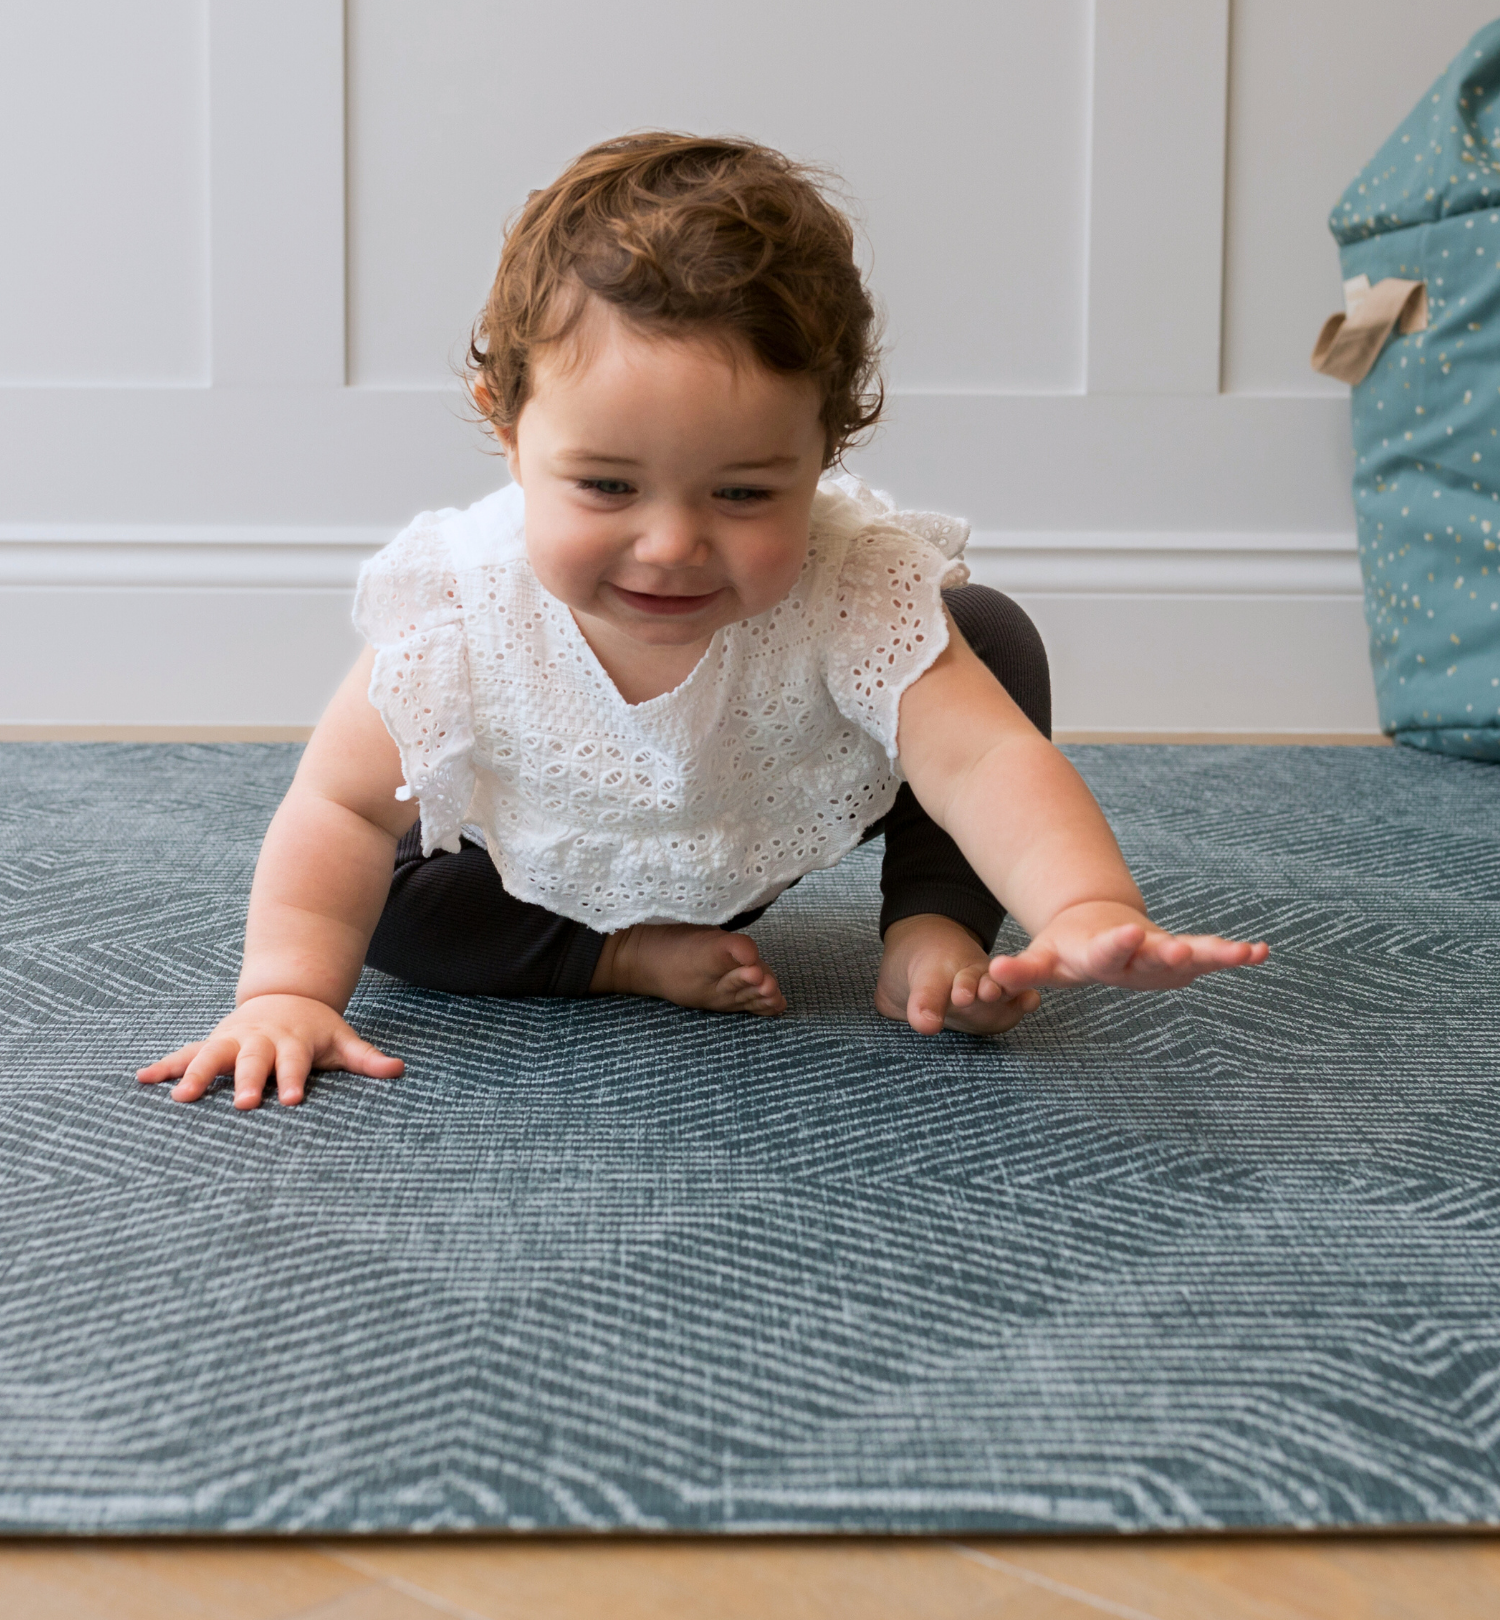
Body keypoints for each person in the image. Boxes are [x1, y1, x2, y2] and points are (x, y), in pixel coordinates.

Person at [139, 133, 1268, 1112]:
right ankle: (615, 955)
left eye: (742, 493)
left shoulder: (846, 582)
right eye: (607, 487)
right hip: (531, 859)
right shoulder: (461, 601)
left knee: (985, 637)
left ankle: (936, 925)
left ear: (826, 449)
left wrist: (1083, 905)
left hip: (752, 798)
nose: (672, 544)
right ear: (508, 428)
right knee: (391, 908)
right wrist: (283, 991)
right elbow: (336, 806)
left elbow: (979, 759)